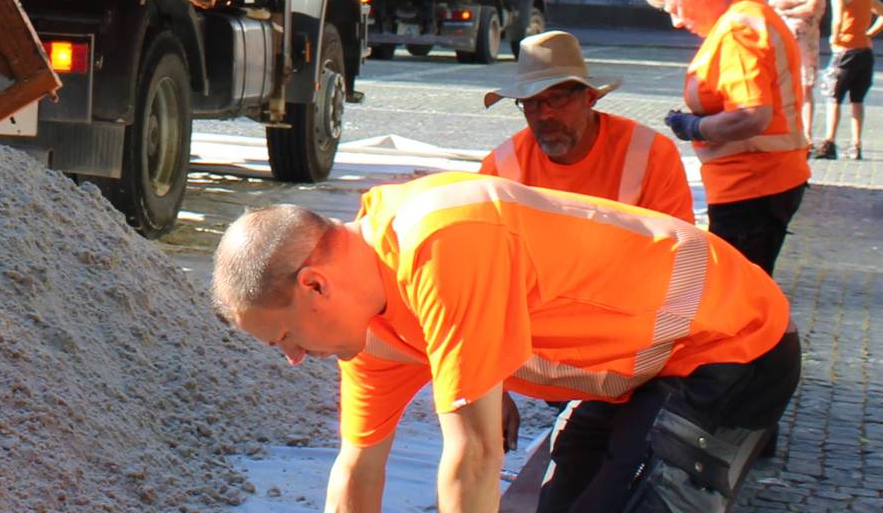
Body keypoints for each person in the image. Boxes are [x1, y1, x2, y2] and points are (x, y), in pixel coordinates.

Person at [212, 174, 800, 513]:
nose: (291, 357)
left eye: (284, 337)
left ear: (315, 284)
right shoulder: (369, 329)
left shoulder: (441, 247)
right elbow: (359, 469)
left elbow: (475, 456)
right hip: (642, 368)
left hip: (732, 340)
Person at [648, 0, 810, 275]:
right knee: (750, 291)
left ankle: (775, 329)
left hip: (752, 184)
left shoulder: (737, 30)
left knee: (736, 298)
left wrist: (694, 127)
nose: (676, 21)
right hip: (764, 180)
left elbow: (752, 115)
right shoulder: (747, 12)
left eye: (674, 8)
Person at [478, 30, 694, 222]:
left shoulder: (651, 155)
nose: (544, 114)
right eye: (530, 103)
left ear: (589, 97)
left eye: (557, 99)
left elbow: (680, 248)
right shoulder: (501, 166)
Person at [822, 0, 883, 160]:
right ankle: (856, 144)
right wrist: (869, 33)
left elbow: (837, 20)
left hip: (846, 51)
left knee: (834, 97)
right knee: (857, 100)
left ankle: (829, 142)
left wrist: (834, 38)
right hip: (865, 52)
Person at [767, 0, 828, 155]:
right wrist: (795, 6)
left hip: (806, 49)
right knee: (781, 89)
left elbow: (810, 10)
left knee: (805, 90)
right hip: (781, 47)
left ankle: (807, 134)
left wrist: (785, 10)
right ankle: (783, 131)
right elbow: (771, 5)